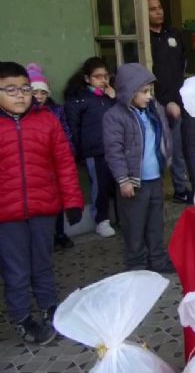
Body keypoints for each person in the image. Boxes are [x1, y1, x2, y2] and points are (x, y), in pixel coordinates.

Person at [0, 61, 84, 345]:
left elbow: (64, 163)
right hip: (6, 215)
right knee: (17, 270)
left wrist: (72, 201)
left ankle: (50, 309)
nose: (21, 95)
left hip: (43, 208)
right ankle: (23, 317)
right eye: (10, 89)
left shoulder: (47, 119)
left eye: (25, 88)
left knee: (43, 263)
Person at [103, 63, 173, 273]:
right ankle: (137, 266)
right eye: (143, 92)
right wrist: (123, 180)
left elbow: (164, 137)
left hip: (155, 179)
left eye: (150, 91)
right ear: (128, 91)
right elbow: (114, 152)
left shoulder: (155, 111)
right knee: (134, 226)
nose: (149, 96)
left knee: (155, 224)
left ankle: (158, 260)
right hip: (134, 183)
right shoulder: (115, 117)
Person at [64, 57, 117, 238]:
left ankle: (120, 216)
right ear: (87, 79)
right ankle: (101, 220)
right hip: (94, 150)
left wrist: (115, 99)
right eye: (98, 77)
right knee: (100, 185)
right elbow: (73, 127)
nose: (103, 81)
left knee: (119, 183)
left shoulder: (111, 96)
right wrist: (77, 151)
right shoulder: (79, 100)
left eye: (106, 76)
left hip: (115, 149)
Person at [148, 0, 192, 204]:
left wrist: (178, 98)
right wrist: (165, 101)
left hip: (178, 97)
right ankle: (156, 192)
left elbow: (182, 64)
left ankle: (181, 188)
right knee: (159, 149)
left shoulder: (173, 34)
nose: (158, 12)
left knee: (179, 147)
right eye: (152, 9)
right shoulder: (143, 40)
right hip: (154, 101)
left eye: (160, 8)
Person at [28, 63, 76, 250]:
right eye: (35, 93)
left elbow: (66, 135)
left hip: (54, 165)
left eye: (43, 93)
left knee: (56, 201)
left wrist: (68, 153)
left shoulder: (56, 111)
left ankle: (60, 233)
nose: (39, 97)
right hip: (36, 168)